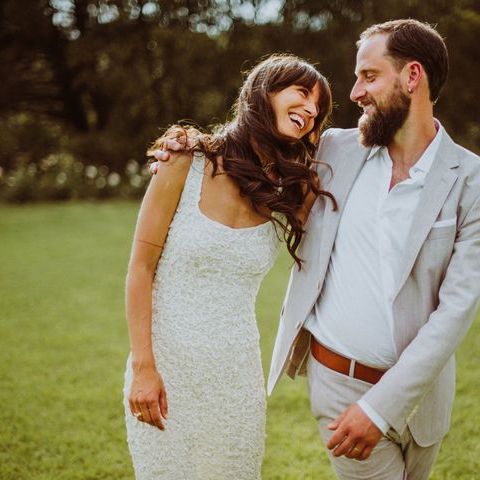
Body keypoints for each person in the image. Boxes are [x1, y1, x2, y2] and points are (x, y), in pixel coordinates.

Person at [265, 20, 480, 480]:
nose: (354, 91)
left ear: (412, 76)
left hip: (424, 400)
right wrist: (192, 147)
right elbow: (253, 145)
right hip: (339, 386)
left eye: (369, 76)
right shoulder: (333, 150)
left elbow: (455, 311)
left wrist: (382, 409)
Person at [122, 54, 334, 480]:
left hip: (236, 376)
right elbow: (140, 269)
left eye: (318, 107)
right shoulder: (186, 160)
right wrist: (144, 367)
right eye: (302, 93)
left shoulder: (289, 190)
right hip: (166, 368)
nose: (311, 110)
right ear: (264, 93)